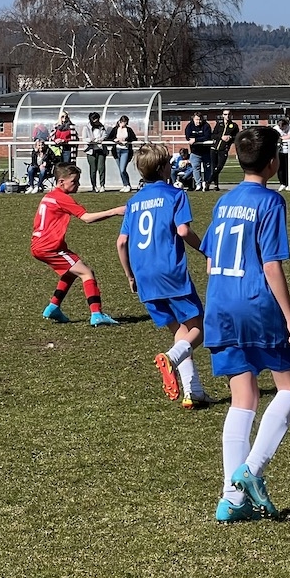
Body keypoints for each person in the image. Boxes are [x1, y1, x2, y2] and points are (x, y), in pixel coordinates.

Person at [203, 126, 290, 523]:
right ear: (274, 162)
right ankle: (252, 470)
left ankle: (231, 500)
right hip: (254, 303)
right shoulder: (271, 201)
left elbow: (210, 259)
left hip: (220, 303)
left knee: (242, 398)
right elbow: (271, 264)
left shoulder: (224, 201)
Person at [116, 144, 211, 408]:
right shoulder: (175, 195)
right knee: (197, 329)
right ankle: (171, 358)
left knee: (180, 331)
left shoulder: (133, 202)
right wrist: (206, 250)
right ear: (163, 168)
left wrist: (130, 276)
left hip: (143, 275)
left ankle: (193, 391)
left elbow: (121, 242)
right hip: (169, 271)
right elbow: (183, 231)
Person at [32, 162, 127, 326]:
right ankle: (97, 314)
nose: (77, 184)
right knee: (87, 273)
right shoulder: (62, 198)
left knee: (70, 273)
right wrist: (115, 211)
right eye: (74, 181)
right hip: (50, 247)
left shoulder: (49, 196)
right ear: (61, 182)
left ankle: (53, 307)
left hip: (39, 244)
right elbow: (86, 218)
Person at [208, 109, 240, 190]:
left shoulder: (234, 126)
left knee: (219, 167)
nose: (227, 116)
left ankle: (208, 182)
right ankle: (215, 185)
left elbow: (237, 137)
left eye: (228, 114)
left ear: (231, 115)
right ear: (222, 115)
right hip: (214, 148)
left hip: (224, 149)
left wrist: (230, 137)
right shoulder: (219, 124)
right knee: (213, 168)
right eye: (225, 114)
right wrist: (221, 137)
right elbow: (213, 135)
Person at [184, 111, 214, 191]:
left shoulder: (206, 125)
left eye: (200, 119)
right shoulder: (189, 126)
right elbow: (188, 136)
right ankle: (198, 185)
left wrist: (196, 139)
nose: (198, 121)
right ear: (193, 119)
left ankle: (206, 184)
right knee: (195, 168)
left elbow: (207, 136)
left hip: (206, 152)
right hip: (195, 152)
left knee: (207, 168)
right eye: (197, 119)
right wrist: (195, 139)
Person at [108, 115, 139, 192]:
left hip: (125, 150)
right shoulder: (115, 129)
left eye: (124, 122)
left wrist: (126, 140)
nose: (123, 123)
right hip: (116, 151)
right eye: (122, 122)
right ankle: (125, 185)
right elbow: (109, 138)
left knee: (122, 169)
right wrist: (115, 140)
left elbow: (134, 138)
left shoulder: (128, 130)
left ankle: (127, 185)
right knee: (120, 170)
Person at [83, 112, 108, 193]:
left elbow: (104, 135)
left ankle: (102, 185)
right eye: (94, 119)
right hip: (91, 151)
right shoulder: (86, 127)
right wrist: (91, 140)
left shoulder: (101, 127)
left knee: (101, 168)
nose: (96, 121)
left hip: (100, 150)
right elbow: (84, 138)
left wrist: (100, 139)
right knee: (93, 169)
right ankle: (94, 186)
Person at [276, 118, 290, 191]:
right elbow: (277, 138)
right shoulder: (276, 129)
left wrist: (282, 138)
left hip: (289, 151)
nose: (281, 128)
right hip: (279, 151)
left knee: (287, 168)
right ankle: (282, 183)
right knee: (280, 168)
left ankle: (288, 183)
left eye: (282, 127)